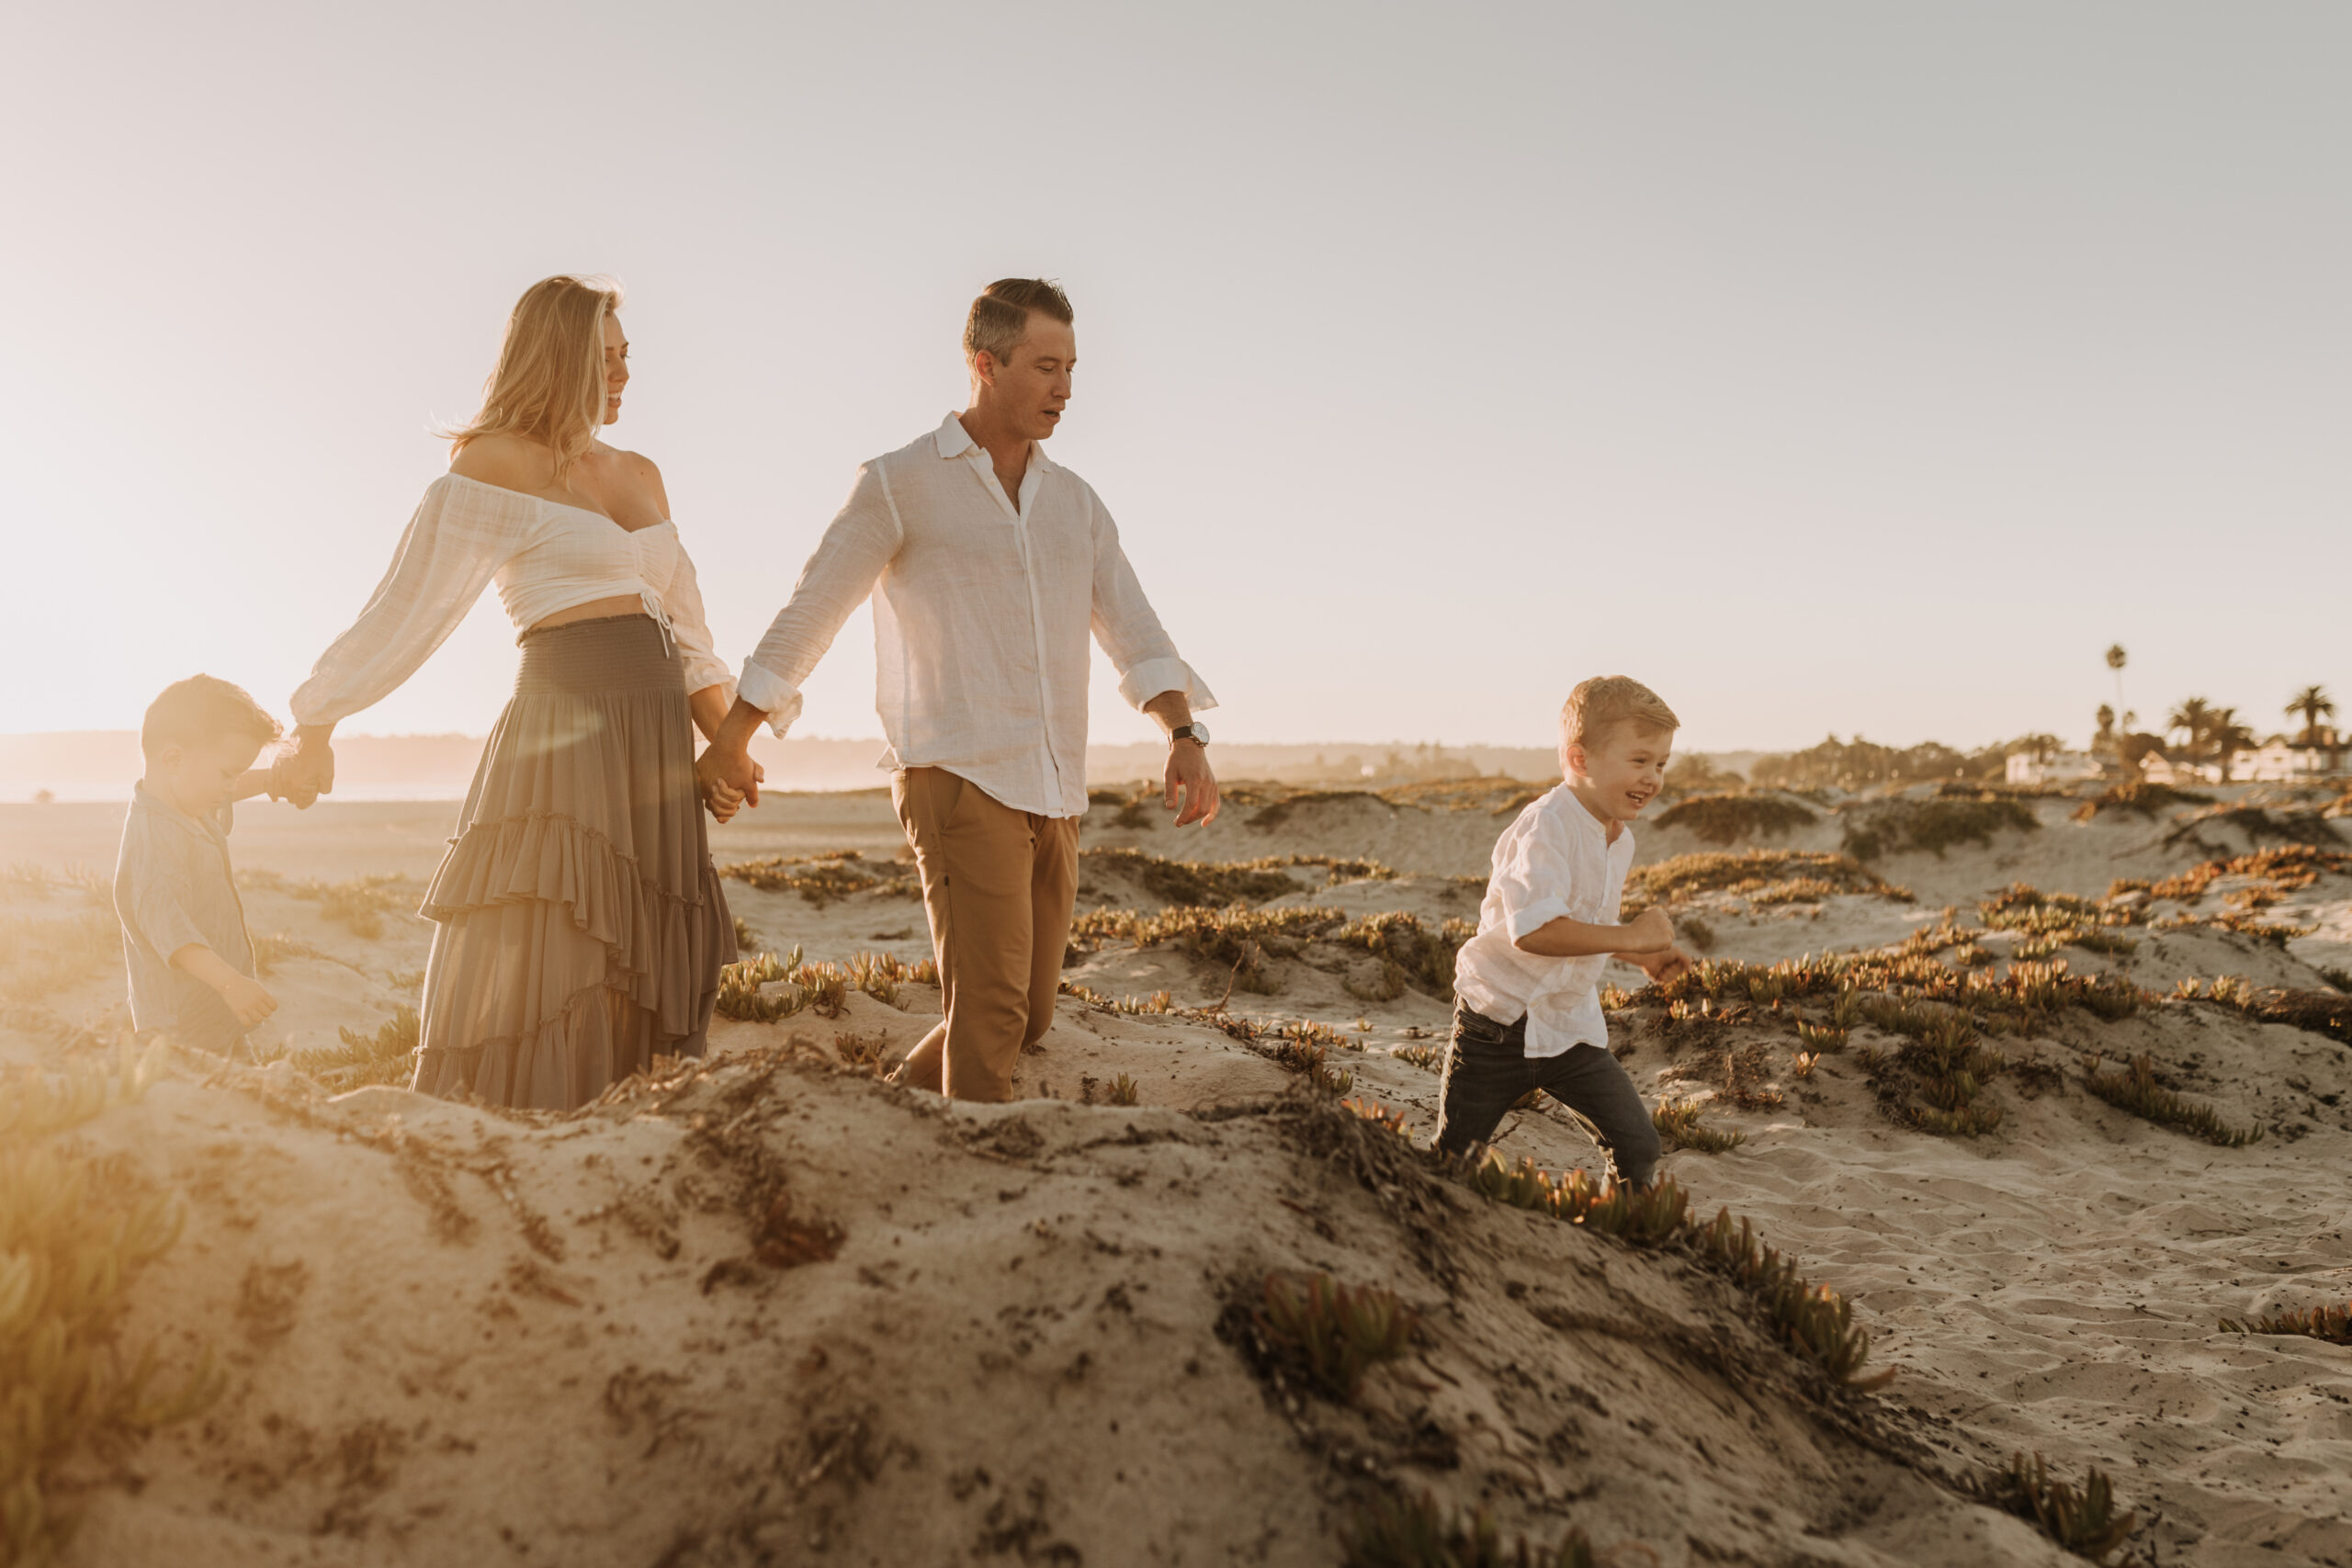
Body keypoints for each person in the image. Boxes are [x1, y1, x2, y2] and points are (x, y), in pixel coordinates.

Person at [696, 278, 1217, 1103]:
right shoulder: (899, 481)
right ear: (985, 362)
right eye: (1046, 367)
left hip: (1055, 787)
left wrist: (1184, 735)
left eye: (1073, 368)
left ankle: (892, 1104)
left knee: (1030, 1012)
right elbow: (813, 610)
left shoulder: (1076, 503)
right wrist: (737, 732)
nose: (1066, 389)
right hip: (956, 773)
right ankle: (974, 1179)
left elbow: (1134, 626)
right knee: (992, 1009)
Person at [277, 275, 743, 1111]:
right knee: (559, 946)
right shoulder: (495, 461)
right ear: (558, 356)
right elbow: (406, 605)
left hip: (655, 749)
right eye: (604, 358)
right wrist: (318, 718)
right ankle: (529, 1123)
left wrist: (729, 742)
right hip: (564, 738)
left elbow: (691, 634)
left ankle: (620, 1132)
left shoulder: (642, 473)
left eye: (627, 356)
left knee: (642, 948)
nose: (623, 374)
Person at [1433, 676, 1694, 1183]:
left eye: (1661, 764)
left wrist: (1639, 957)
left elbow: (1582, 926)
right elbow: (1533, 933)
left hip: (1569, 1029)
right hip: (1496, 1027)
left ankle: (1622, 1250)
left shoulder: (1619, 839)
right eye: (1639, 761)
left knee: (1637, 1146)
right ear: (1580, 760)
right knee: (1453, 1164)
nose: (1653, 778)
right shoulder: (1545, 826)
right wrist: (1633, 937)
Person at [113, 676, 293, 1055]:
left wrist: (276, 780)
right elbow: (174, 935)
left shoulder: (188, 806)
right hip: (178, 1030)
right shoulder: (154, 840)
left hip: (216, 1018)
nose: (232, 786)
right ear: (174, 759)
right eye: (228, 773)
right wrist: (231, 983)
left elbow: (223, 790)